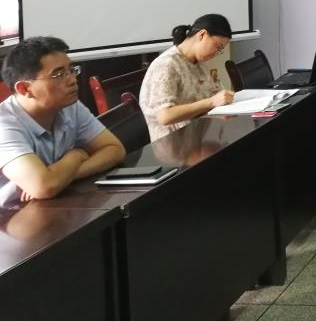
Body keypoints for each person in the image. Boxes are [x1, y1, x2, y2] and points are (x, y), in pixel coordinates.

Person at [0, 36, 125, 204]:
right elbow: (44, 186)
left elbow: (115, 150)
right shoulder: (4, 124)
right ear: (24, 88)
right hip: (10, 214)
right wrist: (76, 155)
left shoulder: (69, 105)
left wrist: (63, 176)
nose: (72, 80)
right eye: (58, 74)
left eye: (72, 70)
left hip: (52, 204)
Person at [139, 14, 235, 141]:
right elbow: (165, 116)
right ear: (202, 35)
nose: (216, 53)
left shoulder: (198, 63)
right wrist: (211, 102)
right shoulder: (167, 65)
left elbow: (215, 93)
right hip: (174, 144)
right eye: (217, 47)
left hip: (200, 136)